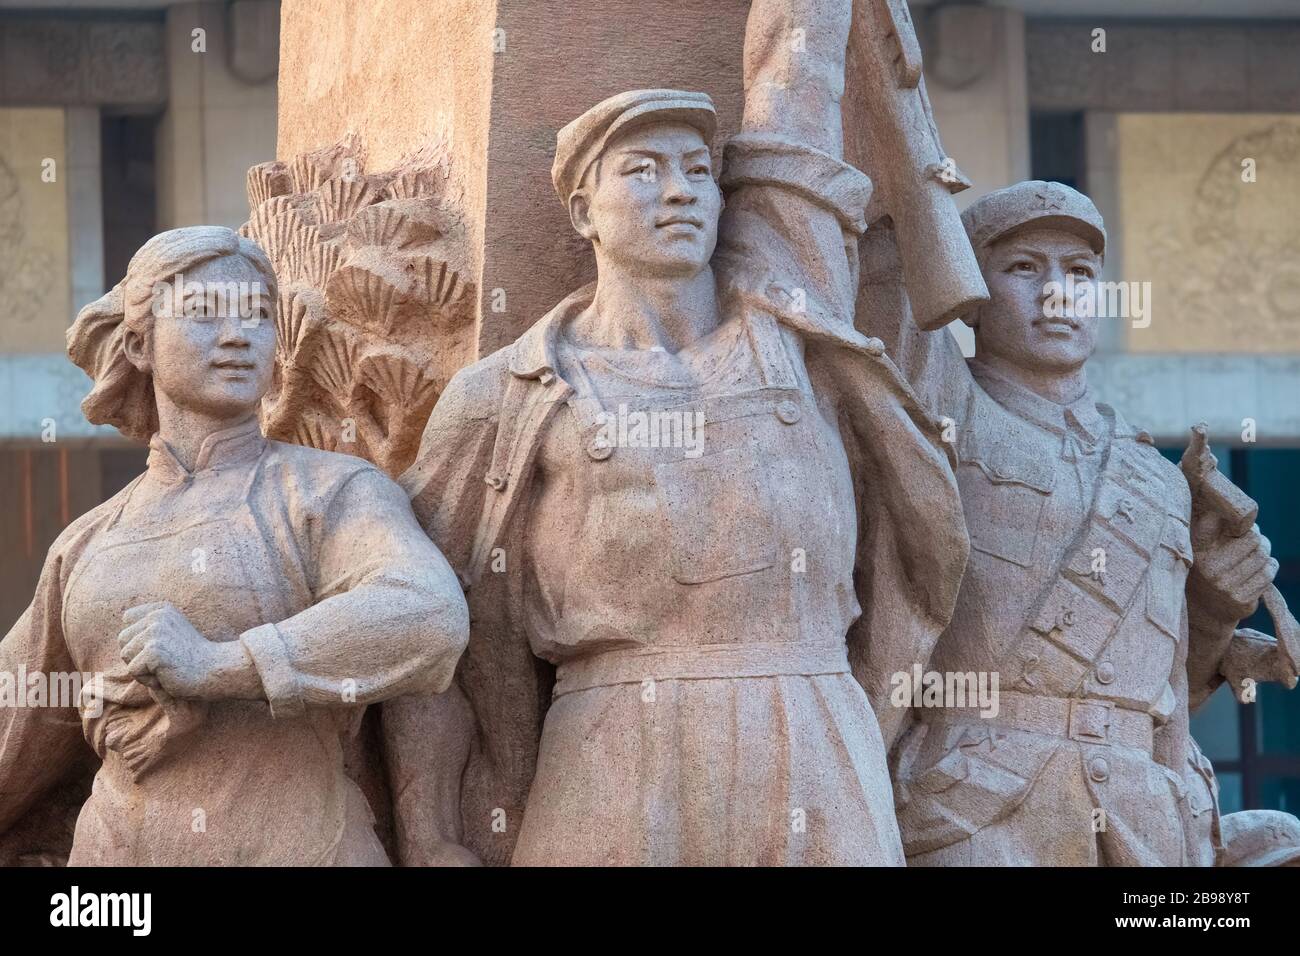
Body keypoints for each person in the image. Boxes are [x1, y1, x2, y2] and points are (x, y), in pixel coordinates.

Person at [387, 0, 969, 865]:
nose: (680, 191)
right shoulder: (506, 395)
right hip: (613, 735)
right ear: (583, 209)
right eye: (643, 170)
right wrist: (432, 835)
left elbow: (792, 73)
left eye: (700, 170)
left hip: (809, 723)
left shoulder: (791, 320)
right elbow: (430, 631)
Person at [0, 226, 469, 865]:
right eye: (204, 313)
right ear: (140, 343)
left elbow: (429, 615)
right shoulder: (84, 546)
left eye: (257, 314)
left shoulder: (331, 490)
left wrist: (220, 669)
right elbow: (18, 720)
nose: (237, 334)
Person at [875, 181, 1281, 865]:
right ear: (971, 295)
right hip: (977, 805)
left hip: (1142, 817)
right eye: (1024, 269)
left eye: (1080, 273)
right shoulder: (942, 410)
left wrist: (1212, 610)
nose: (1057, 292)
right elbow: (886, 278)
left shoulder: (1157, 480)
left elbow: (1161, 705)